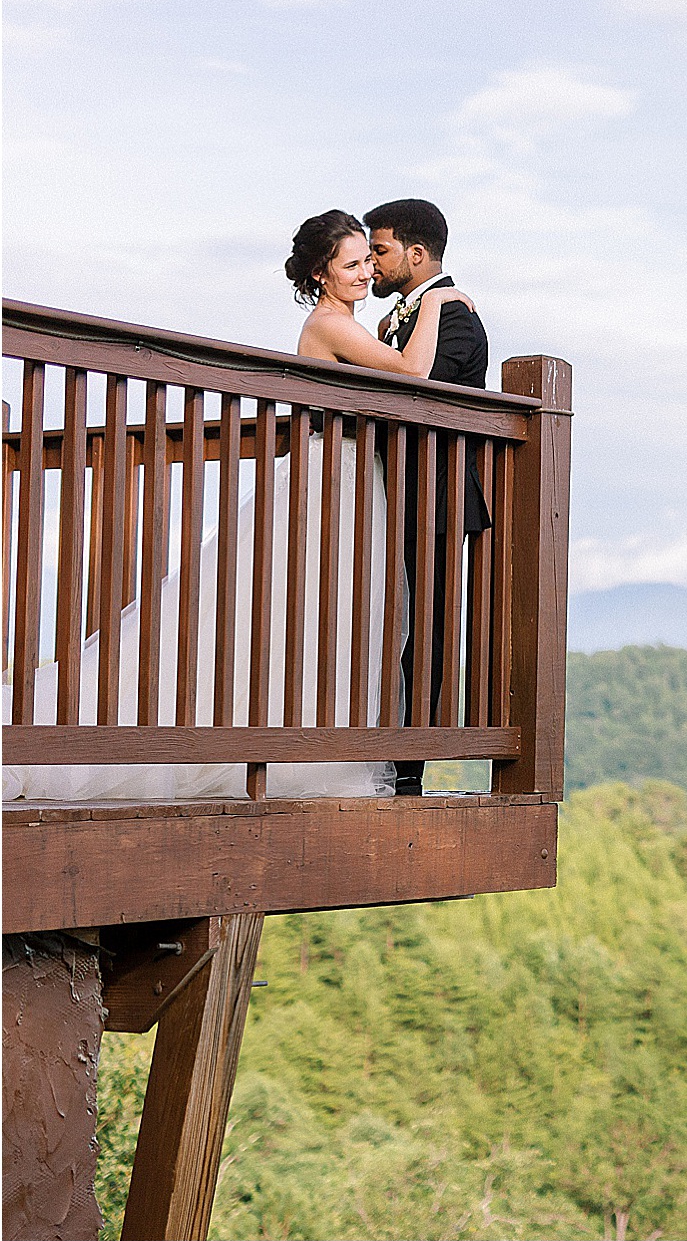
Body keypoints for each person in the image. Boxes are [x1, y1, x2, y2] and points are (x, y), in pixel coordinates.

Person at [0, 210, 461, 801]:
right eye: (352, 264)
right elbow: (412, 371)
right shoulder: (329, 324)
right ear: (323, 274)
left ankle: (310, 741)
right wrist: (439, 304)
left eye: (368, 260)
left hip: (351, 482)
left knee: (328, 609)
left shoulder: (349, 322)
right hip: (333, 479)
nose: (367, 272)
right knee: (284, 605)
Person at [362, 199, 493, 795]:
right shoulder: (398, 320)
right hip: (388, 492)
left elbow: (412, 393)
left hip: (435, 495)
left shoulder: (459, 319)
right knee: (382, 621)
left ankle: (413, 763)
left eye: (380, 250)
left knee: (429, 626)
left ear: (417, 254)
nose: (371, 261)